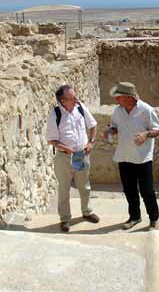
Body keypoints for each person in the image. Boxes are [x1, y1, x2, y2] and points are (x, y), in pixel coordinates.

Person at [104, 82, 159, 230]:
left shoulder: (146, 110)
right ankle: (135, 217)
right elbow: (115, 127)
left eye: (119, 97)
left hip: (142, 157)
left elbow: (157, 130)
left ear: (129, 98)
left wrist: (146, 134)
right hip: (124, 156)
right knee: (129, 190)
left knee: (147, 191)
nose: (116, 100)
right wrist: (110, 131)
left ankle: (154, 218)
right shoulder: (118, 110)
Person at [47, 85, 100, 232]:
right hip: (64, 158)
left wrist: (91, 142)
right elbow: (51, 140)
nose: (76, 99)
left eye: (76, 96)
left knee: (84, 185)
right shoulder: (55, 114)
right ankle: (65, 219)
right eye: (72, 98)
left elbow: (93, 124)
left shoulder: (80, 107)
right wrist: (66, 148)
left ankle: (87, 211)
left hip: (81, 155)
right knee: (64, 189)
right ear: (63, 101)